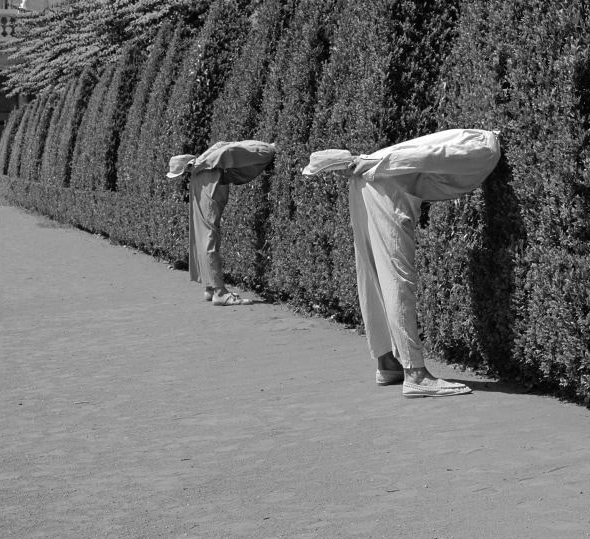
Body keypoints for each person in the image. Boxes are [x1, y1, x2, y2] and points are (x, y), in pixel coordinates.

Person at [302, 129, 501, 398]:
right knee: (398, 276)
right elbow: (431, 155)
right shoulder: (487, 149)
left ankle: (387, 363)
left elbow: (420, 152)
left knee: (371, 272)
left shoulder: (469, 134)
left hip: (370, 179)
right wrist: (380, 164)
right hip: (383, 181)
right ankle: (416, 374)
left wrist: (372, 162)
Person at [167, 140, 277, 306]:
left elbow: (222, 146)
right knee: (210, 236)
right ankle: (219, 292)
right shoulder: (207, 163)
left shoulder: (200, 168)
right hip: (208, 186)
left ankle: (211, 287)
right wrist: (268, 149)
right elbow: (228, 149)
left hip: (202, 185)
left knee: (204, 235)